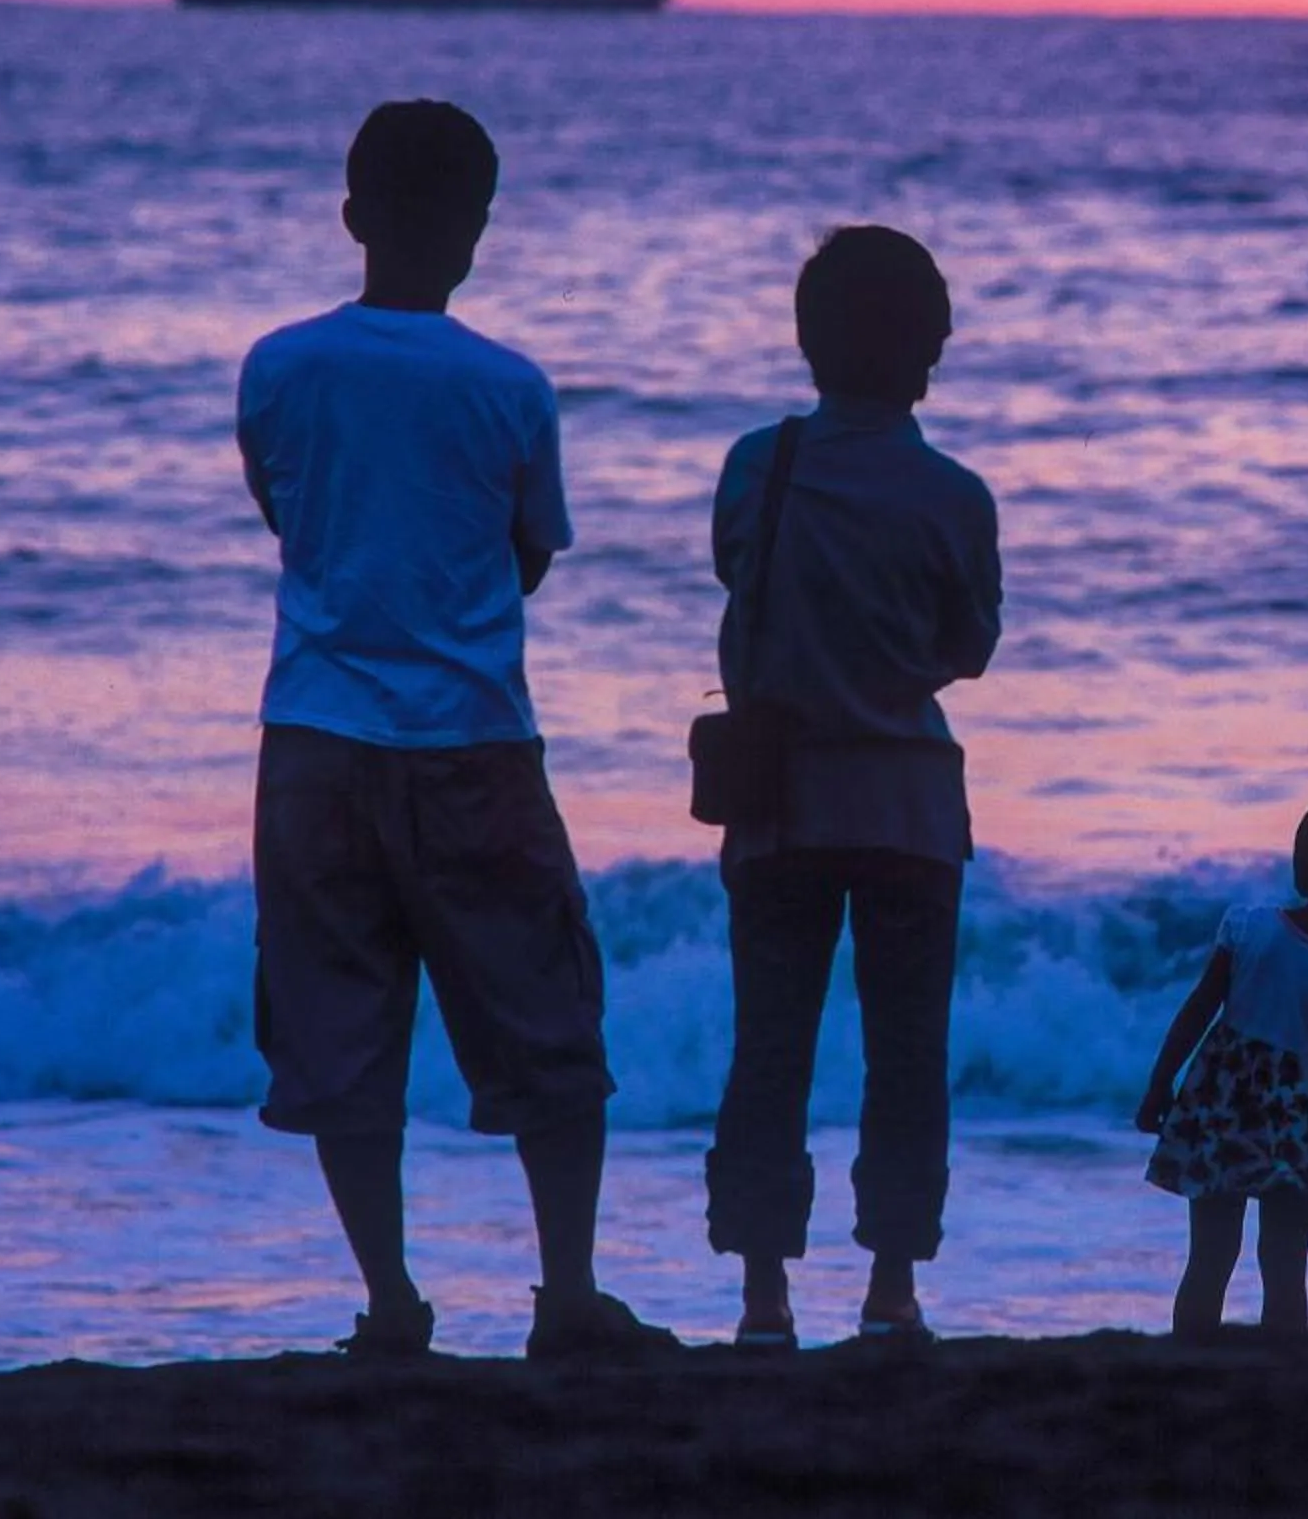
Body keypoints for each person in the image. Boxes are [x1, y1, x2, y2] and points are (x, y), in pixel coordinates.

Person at [236, 99, 668, 1362]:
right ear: (477, 230)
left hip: (314, 739)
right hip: (474, 739)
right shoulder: (508, 387)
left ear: (353, 211)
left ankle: (392, 1304)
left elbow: (286, 514)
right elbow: (529, 557)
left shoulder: (280, 365)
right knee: (546, 1019)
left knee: (338, 1025)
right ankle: (568, 1293)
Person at [704, 225, 1003, 1347]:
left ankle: (763, 1296)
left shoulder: (757, 465)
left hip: (777, 804)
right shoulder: (953, 496)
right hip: (910, 811)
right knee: (908, 1056)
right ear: (930, 351)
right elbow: (967, 646)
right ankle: (890, 1289)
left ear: (806, 341)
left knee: (769, 1048)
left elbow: (739, 573)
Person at [1137, 797, 1308, 1341]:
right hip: (1302, 1121)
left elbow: (1196, 1013)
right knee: (1285, 1266)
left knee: (1209, 1256)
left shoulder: (1250, 929)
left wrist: (1158, 1085)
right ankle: (1284, 1365)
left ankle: (1188, 1359)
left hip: (1224, 1103)